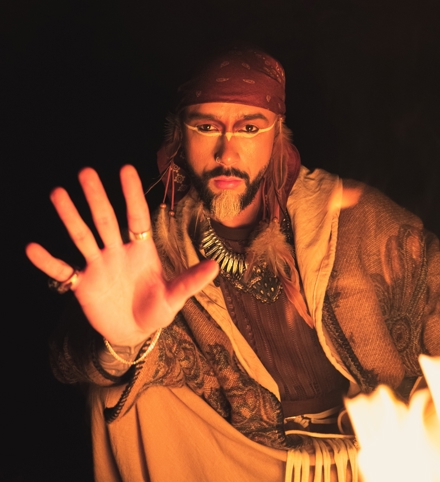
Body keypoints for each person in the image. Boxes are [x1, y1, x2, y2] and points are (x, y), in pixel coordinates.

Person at [26, 48, 440, 482]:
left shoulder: (353, 217)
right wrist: (120, 346)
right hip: (247, 462)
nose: (226, 150)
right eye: (206, 126)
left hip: (381, 450)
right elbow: (68, 363)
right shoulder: (151, 252)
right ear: (179, 136)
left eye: (249, 127)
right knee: (112, 395)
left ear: (277, 137)